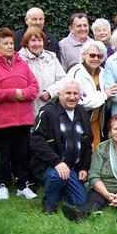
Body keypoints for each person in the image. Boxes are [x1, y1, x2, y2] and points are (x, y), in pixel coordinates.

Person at [0, 28, 39, 200]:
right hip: (3, 120)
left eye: (11, 43)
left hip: (23, 118)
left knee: (21, 154)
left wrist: (25, 93)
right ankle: (3, 184)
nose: (9, 46)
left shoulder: (22, 64)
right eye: (5, 43)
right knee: (4, 155)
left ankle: (22, 185)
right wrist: (13, 94)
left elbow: (34, 87)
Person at [61, 114, 117, 223]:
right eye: (115, 129)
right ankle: (80, 216)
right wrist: (107, 194)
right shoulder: (102, 147)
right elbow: (94, 175)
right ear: (110, 132)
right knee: (93, 201)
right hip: (105, 188)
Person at [29, 79, 93, 214]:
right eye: (68, 93)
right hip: (49, 165)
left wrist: (84, 167)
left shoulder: (82, 112)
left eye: (76, 93)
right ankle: (49, 203)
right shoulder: (47, 112)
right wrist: (56, 162)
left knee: (81, 202)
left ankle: (61, 189)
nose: (72, 97)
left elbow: (88, 143)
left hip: (72, 167)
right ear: (59, 94)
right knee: (57, 176)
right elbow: (36, 140)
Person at [66, 40, 117, 149]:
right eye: (92, 55)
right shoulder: (76, 72)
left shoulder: (104, 72)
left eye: (99, 56)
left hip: (97, 122)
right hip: (78, 122)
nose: (96, 59)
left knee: (94, 154)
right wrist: (104, 95)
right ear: (84, 55)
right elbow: (79, 101)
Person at [18, 27, 66, 116]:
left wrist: (50, 92)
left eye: (39, 40)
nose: (37, 44)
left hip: (51, 109)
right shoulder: (19, 60)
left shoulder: (51, 58)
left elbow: (63, 80)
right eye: (33, 40)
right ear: (26, 42)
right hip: (28, 111)